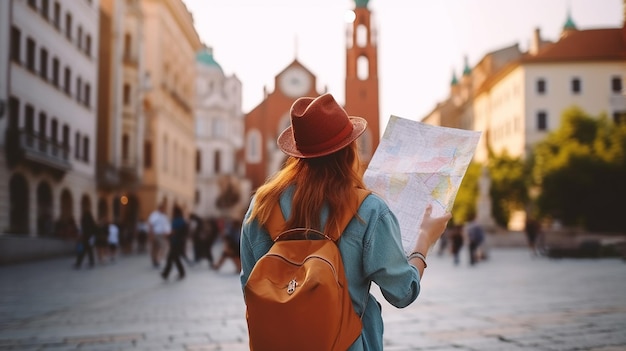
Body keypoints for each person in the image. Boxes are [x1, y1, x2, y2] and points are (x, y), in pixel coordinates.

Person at [239, 93, 451, 350]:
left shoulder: (261, 206)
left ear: (296, 153)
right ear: (350, 149)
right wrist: (424, 240)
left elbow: (250, 286)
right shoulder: (369, 210)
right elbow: (402, 292)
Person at [161, 205, 187, 280]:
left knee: (171, 258)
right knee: (175, 258)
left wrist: (168, 235)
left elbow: (174, 231)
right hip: (179, 242)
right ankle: (181, 272)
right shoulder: (181, 220)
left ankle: (166, 273)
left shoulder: (177, 220)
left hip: (176, 242)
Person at [148, 200, 171, 268]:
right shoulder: (155, 215)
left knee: (162, 247)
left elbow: (166, 225)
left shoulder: (164, 216)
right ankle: (155, 261)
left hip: (161, 234)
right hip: (156, 233)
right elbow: (151, 224)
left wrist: (167, 232)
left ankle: (158, 259)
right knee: (155, 248)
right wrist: (151, 233)